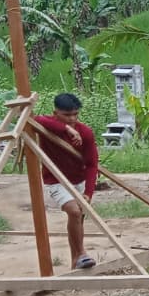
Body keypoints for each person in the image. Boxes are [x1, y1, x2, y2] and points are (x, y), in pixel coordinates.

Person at [33, 93, 99, 270]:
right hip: (55, 180)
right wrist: (67, 129)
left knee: (79, 217)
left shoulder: (85, 132)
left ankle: (75, 260)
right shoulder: (46, 126)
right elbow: (34, 119)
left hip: (79, 180)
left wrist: (88, 193)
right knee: (74, 212)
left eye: (75, 114)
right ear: (55, 112)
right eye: (66, 115)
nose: (72, 119)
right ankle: (82, 254)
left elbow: (92, 165)